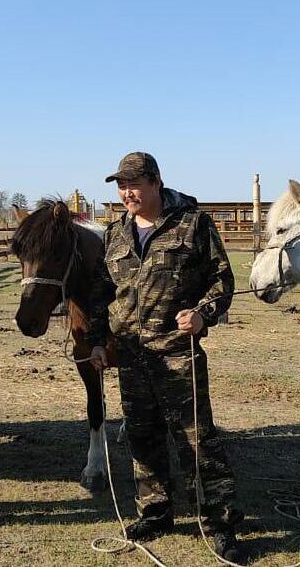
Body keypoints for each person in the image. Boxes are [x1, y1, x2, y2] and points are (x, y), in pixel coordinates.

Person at [86, 152, 244, 563]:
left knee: (196, 441)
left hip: (177, 353)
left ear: (156, 182)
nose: (127, 193)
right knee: (142, 438)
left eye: (134, 184)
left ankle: (219, 523)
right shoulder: (114, 235)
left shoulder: (192, 224)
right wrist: (99, 342)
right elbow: (103, 296)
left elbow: (221, 280)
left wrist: (203, 314)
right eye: (121, 186)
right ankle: (155, 512)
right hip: (133, 359)